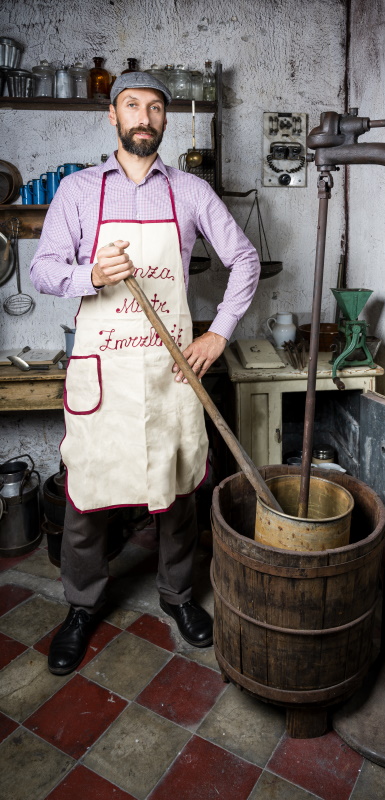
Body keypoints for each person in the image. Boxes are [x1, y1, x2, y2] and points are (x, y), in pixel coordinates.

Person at [30, 72, 260, 674]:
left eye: (155, 108)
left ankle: (178, 596)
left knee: (177, 491)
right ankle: (82, 606)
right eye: (132, 105)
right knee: (87, 493)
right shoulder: (79, 191)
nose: (144, 116)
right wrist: (89, 275)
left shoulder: (191, 192)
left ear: (164, 120)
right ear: (113, 115)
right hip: (103, 370)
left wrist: (218, 332)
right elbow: (43, 270)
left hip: (168, 368)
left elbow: (244, 258)